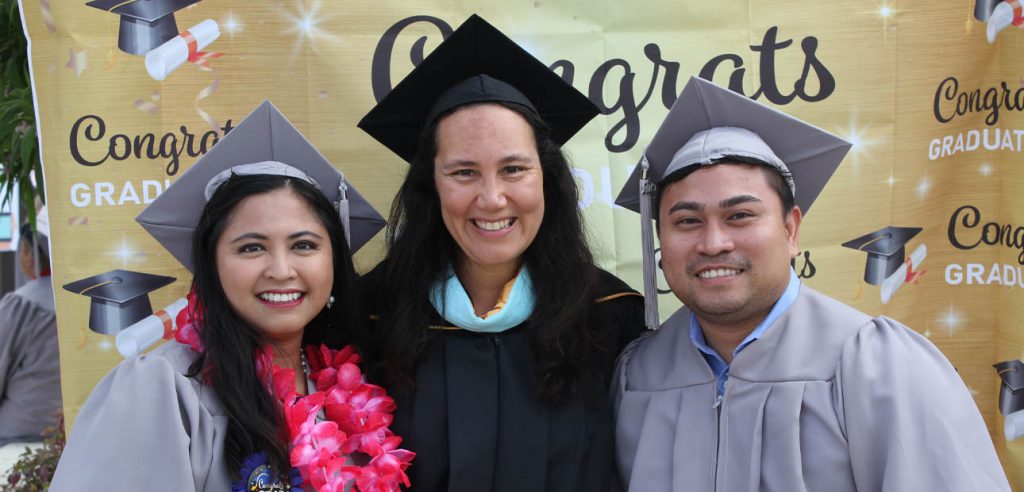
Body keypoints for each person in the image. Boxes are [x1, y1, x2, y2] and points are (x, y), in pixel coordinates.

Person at [611, 76, 1010, 491]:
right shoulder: (637, 375)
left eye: (740, 216)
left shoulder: (876, 365)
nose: (714, 243)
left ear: (791, 229)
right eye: (688, 221)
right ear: (661, 240)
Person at [50, 101, 412, 492]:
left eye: (304, 245)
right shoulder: (163, 390)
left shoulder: (348, 386)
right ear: (212, 263)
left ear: (334, 261)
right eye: (251, 248)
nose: (281, 269)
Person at [357, 15, 646, 492]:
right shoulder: (369, 319)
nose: (492, 199)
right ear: (431, 184)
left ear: (546, 178)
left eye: (514, 169)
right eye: (464, 172)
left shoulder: (613, 320)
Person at [0, 207, 60, 445]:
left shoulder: (21, 304)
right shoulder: (85, 299)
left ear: (27, 252)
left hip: (20, 439)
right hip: (80, 436)